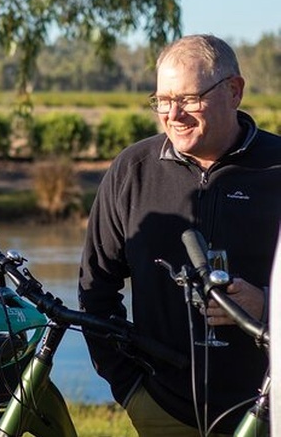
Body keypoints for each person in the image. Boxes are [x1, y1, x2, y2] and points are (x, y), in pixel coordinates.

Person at [78, 34, 281, 435]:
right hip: (163, 410)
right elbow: (94, 291)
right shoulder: (132, 170)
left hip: (270, 414)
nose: (174, 114)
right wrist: (131, 388)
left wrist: (268, 307)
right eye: (163, 100)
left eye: (189, 98)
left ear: (234, 91)